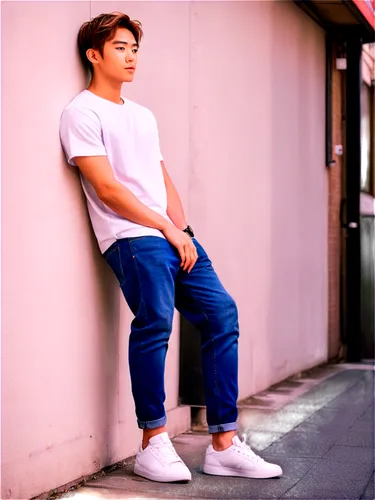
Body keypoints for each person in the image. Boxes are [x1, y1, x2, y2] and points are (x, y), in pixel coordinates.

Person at [59, 11, 283, 484]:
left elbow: (160, 181)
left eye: (134, 48)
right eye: (120, 47)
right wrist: (165, 228)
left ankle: (223, 444)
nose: (131, 56)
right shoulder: (81, 112)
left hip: (170, 235)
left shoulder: (143, 115)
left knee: (222, 313)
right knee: (156, 323)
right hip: (130, 239)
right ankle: (152, 442)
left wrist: (184, 232)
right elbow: (109, 189)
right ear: (94, 55)